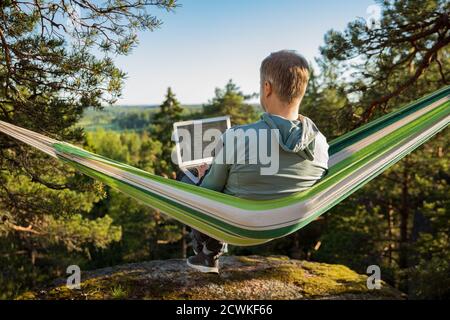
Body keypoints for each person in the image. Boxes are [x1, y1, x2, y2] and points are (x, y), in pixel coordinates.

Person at [186, 50, 329, 274]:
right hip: (286, 224)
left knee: (187, 179)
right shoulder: (322, 145)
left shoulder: (236, 137)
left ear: (267, 88)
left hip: (236, 225)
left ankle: (207, 254)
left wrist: (205, 175)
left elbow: (208, 192)